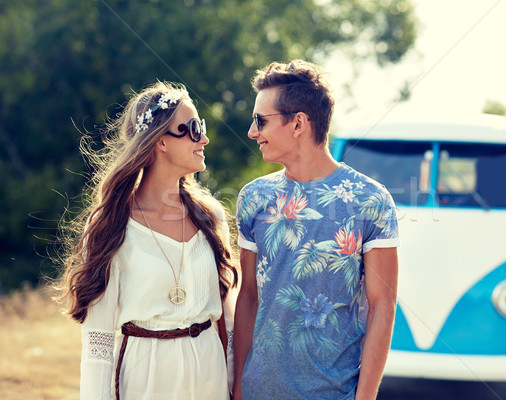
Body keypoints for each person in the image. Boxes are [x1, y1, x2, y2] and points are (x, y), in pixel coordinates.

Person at [57, 81, 237, 399]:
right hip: (146, 379)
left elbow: (229, 320)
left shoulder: (211, 217)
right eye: (193, 128)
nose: (204, 138)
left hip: (210, 376)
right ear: (161, 142)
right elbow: (97, 342)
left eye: (202, 127)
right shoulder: (109, 225)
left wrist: (236, 385)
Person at [233, 60, 400, 400]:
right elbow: (248, 296)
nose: (253, 132)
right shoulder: (253, 197)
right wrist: (237, 387)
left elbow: (383, 304)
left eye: (261, 121)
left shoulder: (371, 199)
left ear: (298, 123)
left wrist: (365, 397)